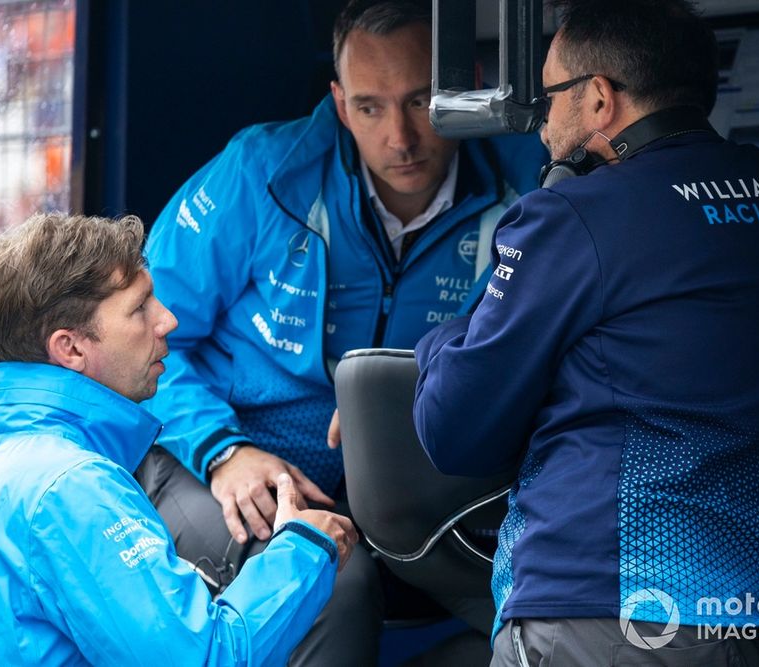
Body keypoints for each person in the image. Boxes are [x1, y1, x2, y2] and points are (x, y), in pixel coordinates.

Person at [412, 1, 759, 665]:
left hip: (601, 605)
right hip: (757, 611)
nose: (544, 124)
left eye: (552, 97)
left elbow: (454, 426)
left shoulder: (574, 214)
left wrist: (436, 343)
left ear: (600, 99)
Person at [136, 0, 546, 664]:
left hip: (413, 479)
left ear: (467, 89)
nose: (400, 138)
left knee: (551, 596)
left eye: (422, 102)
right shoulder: (260, 174)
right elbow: (143, 343)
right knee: (332, 578)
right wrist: (222, 450)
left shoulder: (531, 185)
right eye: (369, 107)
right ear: (338, 100)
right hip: (215, 454)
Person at [0, 213, 358, 667]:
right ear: (71, 349)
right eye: (140, 307)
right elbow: (206, 659)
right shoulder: (73, 489)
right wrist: (303, 549)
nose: (167, 320)